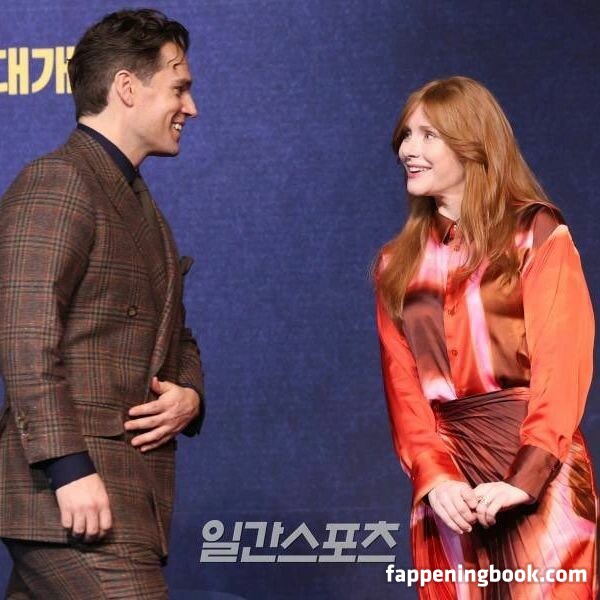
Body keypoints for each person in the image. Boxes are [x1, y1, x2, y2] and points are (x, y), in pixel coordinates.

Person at [0, 9, 204, 599]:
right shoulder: (58, 181)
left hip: (123, 493)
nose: (191, 108)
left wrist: (189, 396)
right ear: (127, 87)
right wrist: (68, 468)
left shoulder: (141, 205)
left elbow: (177, 337)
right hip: (73, 497)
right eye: (179, 88)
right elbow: (24, 335)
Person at [375, 76, 598, 598]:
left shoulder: (536, 233)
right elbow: (403, 389)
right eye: (406, 135)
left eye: (428, 135)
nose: (408, 149)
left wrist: (526, 477)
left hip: (540, 473)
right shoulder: (396, 263)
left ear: (473, 144)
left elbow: (562, 365)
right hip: (450, 490)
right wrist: (434, 477)